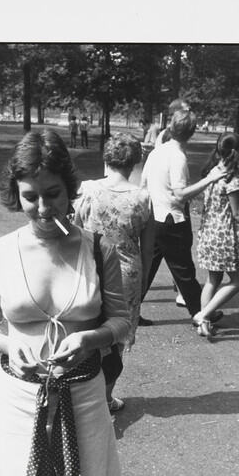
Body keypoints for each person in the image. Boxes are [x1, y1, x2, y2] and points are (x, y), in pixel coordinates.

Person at [0, 129, 130, 476]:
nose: (42, 207)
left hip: (84, 399)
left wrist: (91, 339)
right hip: (17, 400)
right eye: (29, 196)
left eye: (52, 193)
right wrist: (7, 344)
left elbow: (121, 321)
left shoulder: (98, 249)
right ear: (15, 194)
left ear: (69, 189)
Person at [73, 132, 155, 413]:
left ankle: (82, 391)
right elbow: (148, 249)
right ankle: (106, 397)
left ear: (106, 158)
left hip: (92, 268)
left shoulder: (88, 190)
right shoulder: (142, 197)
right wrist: (143, 282)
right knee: (116, 335)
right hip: (126, 273)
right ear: (135, 162)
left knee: (86, 328)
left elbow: (74, 231)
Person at [139, 109, 229, 324]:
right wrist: (210, 179)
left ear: (171, 127)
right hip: (171, 219)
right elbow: (180, 195)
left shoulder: (157, 152)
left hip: (154, 217)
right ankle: (200, 314)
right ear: (192, 132)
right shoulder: (177, 157)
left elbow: (143, 184)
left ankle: (128, 311)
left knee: (148, 268)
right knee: (183, 270)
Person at [193, 132, 239, 338]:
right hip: (223, 235)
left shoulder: (212, 171)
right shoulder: (230, 179)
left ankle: (204, 324)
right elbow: (238, 213)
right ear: (238, 151)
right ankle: (203, 315)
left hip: (208, 232)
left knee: (212, 280)